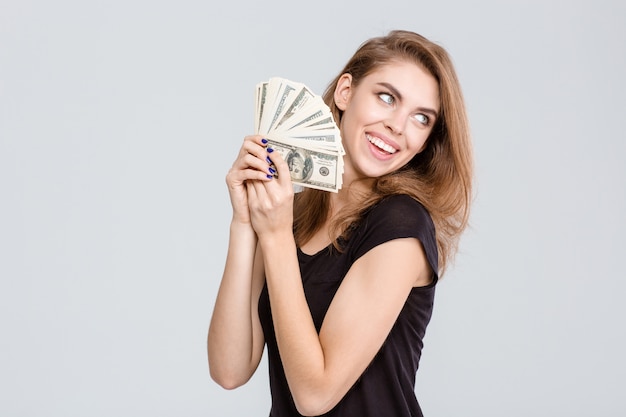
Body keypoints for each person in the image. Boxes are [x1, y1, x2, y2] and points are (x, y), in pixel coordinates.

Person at [207, 29, 473, 417]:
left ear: (426, 139)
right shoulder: (293, 214)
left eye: (421, 118)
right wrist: (245, 223)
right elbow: (229, 369)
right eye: (387, 97)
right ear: (346, 92)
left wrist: (276, 235)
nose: (398, 125)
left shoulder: (401, 226)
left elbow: (315, 395)